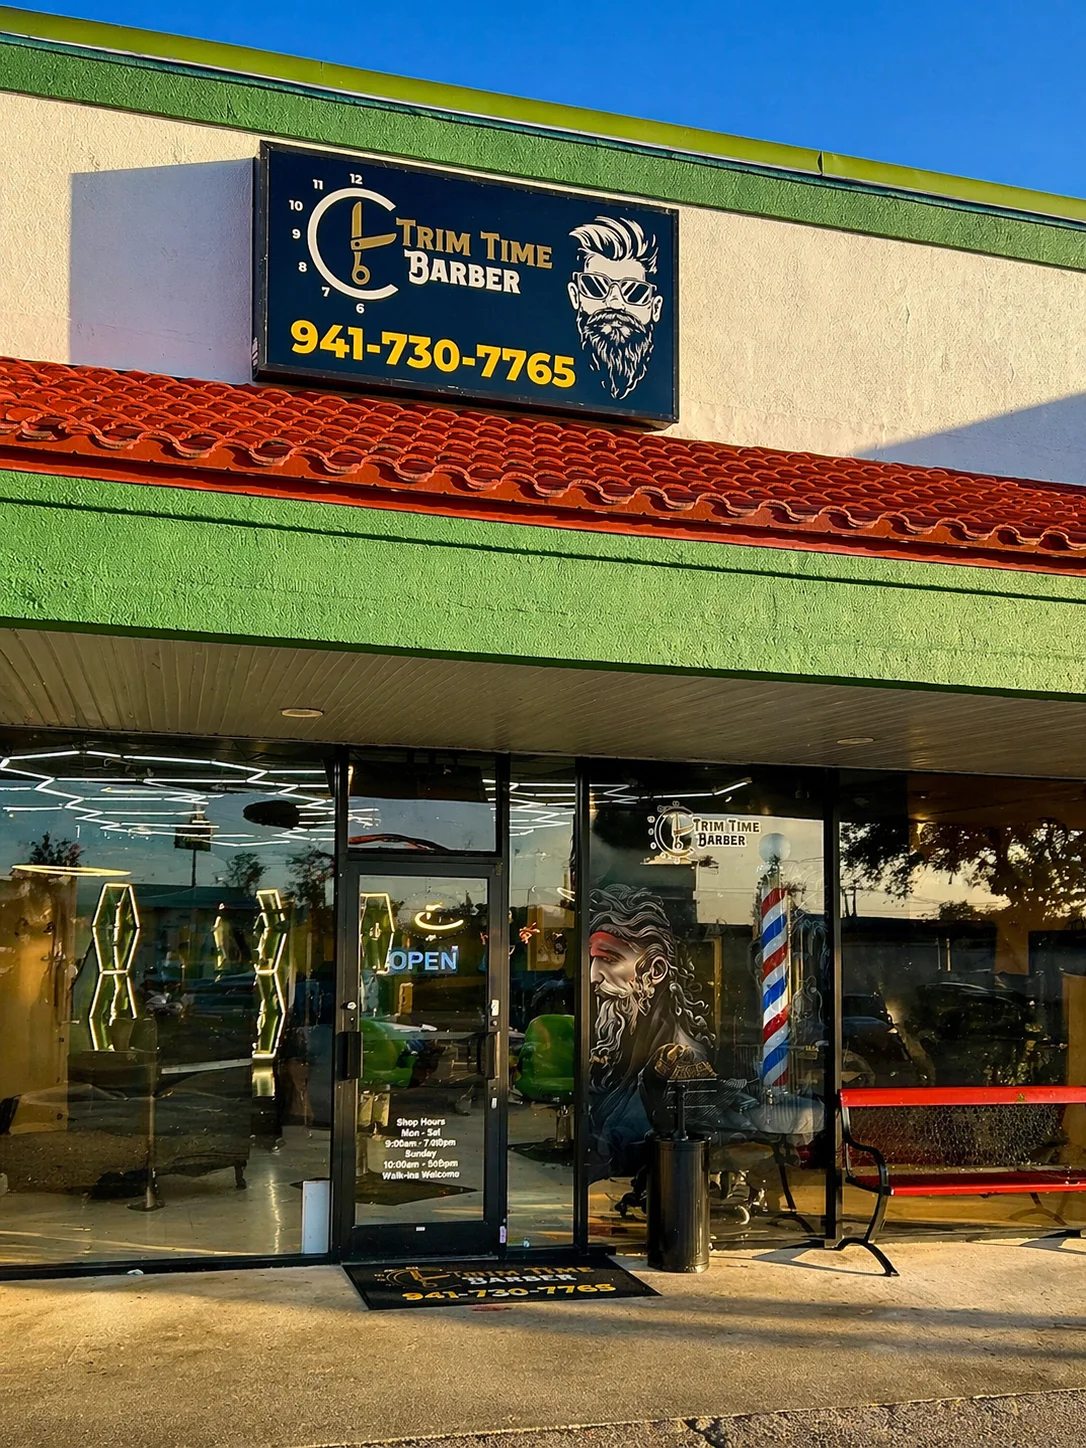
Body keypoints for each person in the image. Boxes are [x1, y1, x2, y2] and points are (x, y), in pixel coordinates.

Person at [588, 883, 710, 1179]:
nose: (593, 976)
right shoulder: (623, 1050)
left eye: (609, 959)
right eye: (592, 960)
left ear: (655, 970)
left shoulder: (678, 1058)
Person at [567, 216, 665, 400]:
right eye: (596, 286)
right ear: (575, 295)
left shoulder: (658, 391)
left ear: (655, 307)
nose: (615, 303)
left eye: (634, 292)